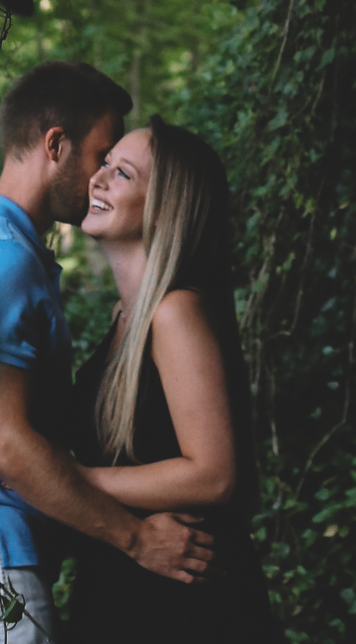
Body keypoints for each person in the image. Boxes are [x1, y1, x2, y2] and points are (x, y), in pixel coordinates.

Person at [0, 62, 216, 642]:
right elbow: (4, 447)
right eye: (102, 155)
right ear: (56, 146)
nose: (99, 178)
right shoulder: (3, 261)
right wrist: (137, 539)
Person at [66, 116, 283, 643]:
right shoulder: (125, 318)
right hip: (128, 595)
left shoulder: (175, 313)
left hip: (186, 606)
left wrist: (74, 482)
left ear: (164, 205)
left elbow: (213, 474)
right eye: (105, 163)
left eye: (122, 173)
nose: (97, 177)